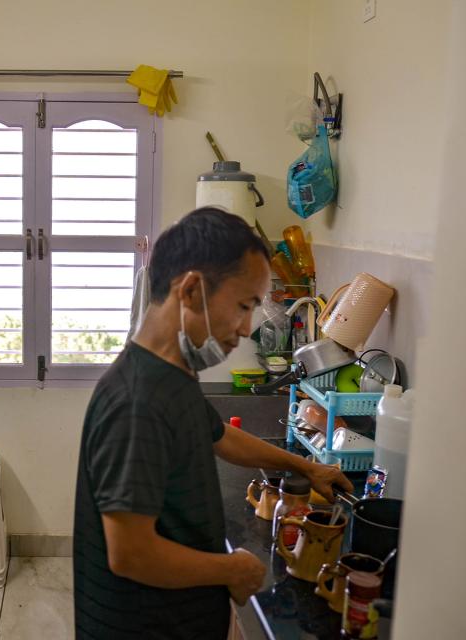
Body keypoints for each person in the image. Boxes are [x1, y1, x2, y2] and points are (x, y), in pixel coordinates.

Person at [73, 208, 352, 639]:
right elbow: (129, 553)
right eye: (243, 306)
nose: (245, 328)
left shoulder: (170, 374)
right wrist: (231, 568)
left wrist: (308, 468)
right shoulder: (137, 400)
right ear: (190, 290)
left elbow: (221, 436)